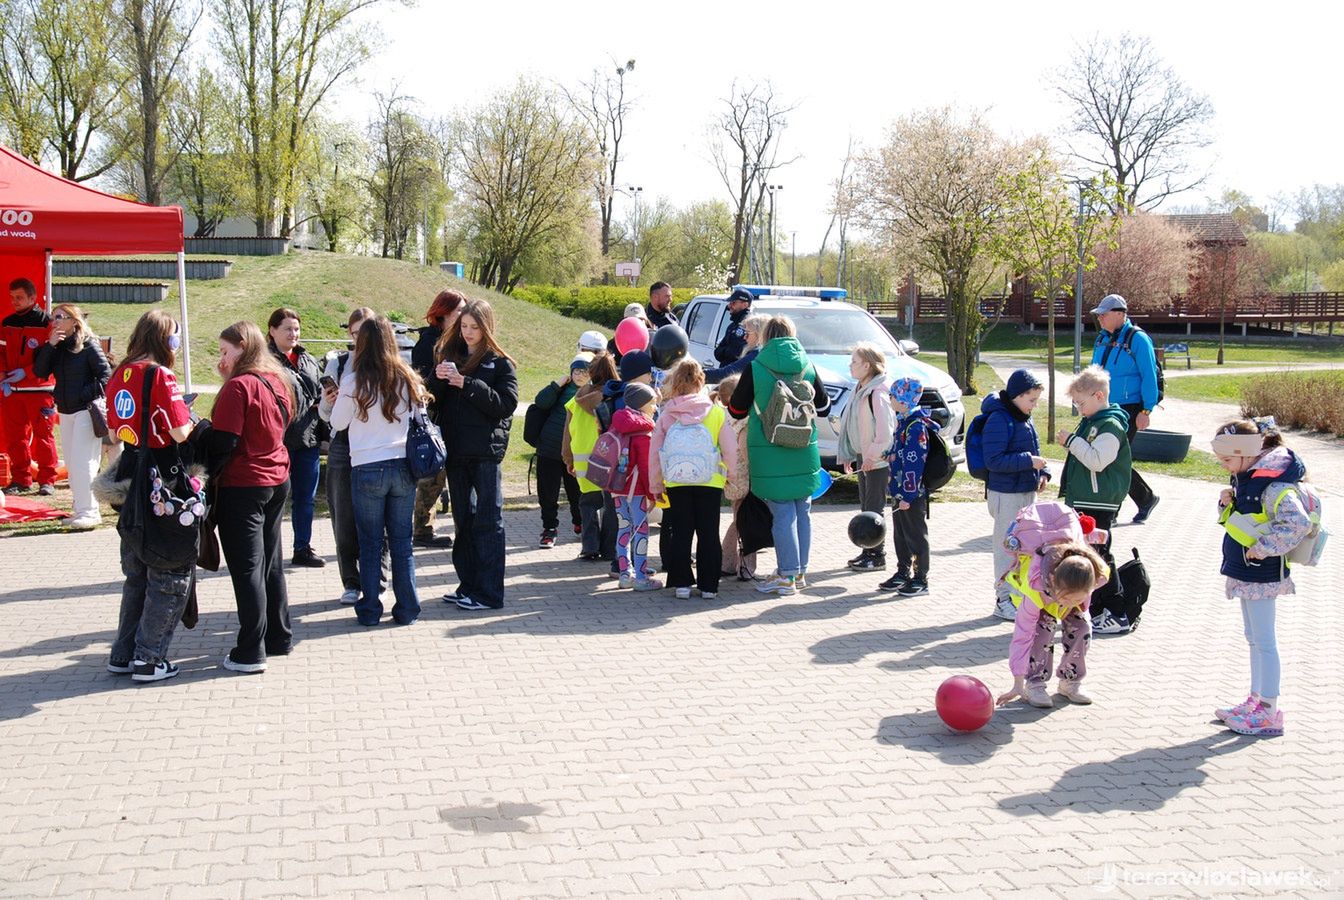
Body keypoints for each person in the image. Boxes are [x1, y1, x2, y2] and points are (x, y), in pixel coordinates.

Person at [100, 310, 194, 683]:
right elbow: (180, 432)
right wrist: (188, 414)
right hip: (160, 479)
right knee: (168, 570)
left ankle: (122, 654)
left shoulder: (120, 373)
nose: (177, 341)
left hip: (128, 473)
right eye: (174, 335)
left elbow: (112, 432)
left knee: (135, 570)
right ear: (162, 338)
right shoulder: (159, 374)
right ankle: (149, 659)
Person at [1210, 419, 1313, 737]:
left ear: (1246, 452)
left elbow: (1298, 523)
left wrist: (1265, 548)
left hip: (1262, 572)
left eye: (1228, 460)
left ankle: (1269, 710)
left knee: (1265, 641)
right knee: (1254, 637)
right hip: (1247, 571)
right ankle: (1255, 700)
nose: (1226, 467)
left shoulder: (1275, 486)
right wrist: (1227, 502)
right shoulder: (1248, 479)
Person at [330, 317, 429, 627]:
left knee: (371, 542)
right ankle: (408, 608)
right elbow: (420, 416)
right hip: (402, 464)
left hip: (366, 465)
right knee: (402, 543)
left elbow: (337, 424)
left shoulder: (354, 381)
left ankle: (371, 608)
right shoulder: (406, 376)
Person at [209, 321, 296, 672]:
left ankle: (250, 650)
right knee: (270, 563)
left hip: (245, 483)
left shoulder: (239, 387)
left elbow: (224, 442)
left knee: (247, 569)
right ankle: (279, 636)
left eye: (225, 352)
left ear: (242, 348)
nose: (221, 360)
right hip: (276, 477)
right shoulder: (276, 380)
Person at [727, 315, 832, 596]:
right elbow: (823, 404)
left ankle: (786, 576)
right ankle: (799, 572)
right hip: (804, 446)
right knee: (803, 510)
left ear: (765, 337)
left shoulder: (756, 366)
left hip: (769, 450)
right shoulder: (807, 365)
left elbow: (736, 408)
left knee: (783, 512)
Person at [430, 300, 518, 611]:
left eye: (474, 328)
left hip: (485, 453)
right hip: (455, 452)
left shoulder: (501, 363)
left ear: (487, 328)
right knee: (462, 522)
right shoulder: (451, 355)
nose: (468, 333)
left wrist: (466, 383)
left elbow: (505, 404)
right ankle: (468, 586)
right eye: (464, 326)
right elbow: (433, 403)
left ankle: (489, 593)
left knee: (488, 522)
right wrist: (438, 380)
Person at [649, 358, 736, 600]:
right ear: (701, 382)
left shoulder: (667, 415)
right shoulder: (716, 412)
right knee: (708, 532)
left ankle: (682, 583)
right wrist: (730, 474)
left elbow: (655, 451)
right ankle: (709, 585)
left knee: (681, 531)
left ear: (676, 383)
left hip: (677, 480)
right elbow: (730, 449)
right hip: (710, 479)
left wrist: (656, 484)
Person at [1056, 366, 1134, 635]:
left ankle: (1116, 611)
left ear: (1099, 396)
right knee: (1087, 555)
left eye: (1081, 403)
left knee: (1099, 556)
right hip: (1086, 498)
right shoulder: (1092, 421)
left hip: (1099, 501)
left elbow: (1098, 461)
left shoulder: (1110, 425)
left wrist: (1072, 441)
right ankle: (1095, 608)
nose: (1079, 409)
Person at [318, 307, 388, 606]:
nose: (361, 339)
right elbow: (327, 417)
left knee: (376, 518)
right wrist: (328, 401)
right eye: (356, 332)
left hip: (375, 447)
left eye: (366, 332)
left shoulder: (389, 364)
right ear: (350, 333)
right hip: (343, 445)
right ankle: (351, 580)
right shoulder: (339, 363)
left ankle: (380, 578)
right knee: (343, 517)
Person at [996, 534, 1108, 709]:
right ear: (1054, 582)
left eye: (1078, 599)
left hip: (1065, 591)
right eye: (1068, 599)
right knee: (1042, 631)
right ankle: (1035, 683)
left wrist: (1073, 602)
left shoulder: (1095, 576)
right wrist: (1017, 683)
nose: (1072, 604)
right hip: (1043, 601)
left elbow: (1077, 598)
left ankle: (1070, 682)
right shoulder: (1036, 591)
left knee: (1082, 627)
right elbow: (1022, 637)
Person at [33, 303, 111, 528]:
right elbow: (39, 372)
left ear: (74, 321)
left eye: (60, 317)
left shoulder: (88, 346)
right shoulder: (57, 348)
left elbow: (106, 376)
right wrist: (50, 345)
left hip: (85, 410)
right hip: (65, 411)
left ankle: (90, 512)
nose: (55, 321)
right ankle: (80, 508)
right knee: (72, 462)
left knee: (83, 461)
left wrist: (85, 395)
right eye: (53, 317)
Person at [982, 369, 1050, 621]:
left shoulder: (1025, 418)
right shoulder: (999, 419)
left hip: (1026, 490)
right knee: (1006, 547)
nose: (1034, 405)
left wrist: (1044, 472)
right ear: (1017, 396)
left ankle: (1019, 596)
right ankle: (1002, 598)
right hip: (1005, 494)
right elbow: (994, 460)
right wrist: (1028, 462)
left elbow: (1037, 449)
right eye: (1031, 400)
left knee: (1026, 547)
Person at [1090, 293, 1161, 524]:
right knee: (1111, 458)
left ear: (1120, 314)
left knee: (1112, 458)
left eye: (1104, 313)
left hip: (1130, 408)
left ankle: (1112, 511)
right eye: (1099, 314)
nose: (1100, 318)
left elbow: (1149, 375)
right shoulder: (1101, 339)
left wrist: (1146, 410)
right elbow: (1094, 372)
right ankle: (1145, 498)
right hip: (1104, 406)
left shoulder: (1138, 339)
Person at [266, 308, 324, 568]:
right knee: (274, 498)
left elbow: (318, 387)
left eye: (297, 329)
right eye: (288, 329)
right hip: (277, 440)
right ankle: (269, 550)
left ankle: (302, 547)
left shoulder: (307, 359)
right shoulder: (265, 361)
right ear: (272, 330)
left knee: (305, 498)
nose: (294, 334)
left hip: (308, 439)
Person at [411, 290, 464, 548]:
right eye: (459, 311)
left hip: (452, 418)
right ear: (443, 313)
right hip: (434, 419)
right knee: (432, 476)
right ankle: (422, 531)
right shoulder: (428, 342)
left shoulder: (456, 340)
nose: (464, 316)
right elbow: (423, 385)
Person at [836, 342, 894, 572]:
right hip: (864, 456)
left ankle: (877, 555)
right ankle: (868, 551)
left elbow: (885, 432)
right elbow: (856, 428)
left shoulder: (878, 393)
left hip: (877, 460)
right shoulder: (860, 389)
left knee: (874, 509)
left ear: (868, 365)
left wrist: (872, 455)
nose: (851, 366)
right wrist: (852, 452)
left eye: (855, 362)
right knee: (865, 507)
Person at [1, 277, 58, 495]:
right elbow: (1, 352)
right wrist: (2, 374)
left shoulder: (47, 323)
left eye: (19, 297)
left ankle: (47, 480)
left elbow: (49, 357)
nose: (15, 301)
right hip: (12, 392)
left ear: (33, 298)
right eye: (12, 297)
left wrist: (27, 373)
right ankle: (21, 480)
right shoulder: (7, 323)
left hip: (39, 390)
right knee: (15, 438)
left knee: (44, 437)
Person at [881, 376, 935, 597]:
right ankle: (903, 572)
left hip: (911, 494)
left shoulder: (915, 426)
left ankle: (921, 578)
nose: (890, 400)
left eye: (892, 396)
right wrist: (890, 455)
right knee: (900, 535)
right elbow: (903, 454)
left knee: (915, 536)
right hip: (899, 490)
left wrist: (909, 494)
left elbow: (915, 463)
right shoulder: (903, 421)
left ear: (903, 400)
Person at [564, 352, 618, 563]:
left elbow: (567, 433)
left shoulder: (575, 400)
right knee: (611, 506)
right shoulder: (615, 396)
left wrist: (568, 458)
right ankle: (609, 549)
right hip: (608, 459)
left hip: (582, 460)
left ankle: (589, 546)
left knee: (587, 503)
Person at [532, 352, 590, 548]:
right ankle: (549, 529)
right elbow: (541, 402)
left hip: (576, 452)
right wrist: (556, 385)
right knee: (548, 493)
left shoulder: (592, 393)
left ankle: (580, 523)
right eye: (576, 371)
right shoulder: (561, 389)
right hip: (549, 448)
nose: (580, 375)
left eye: (585, 371)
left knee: (577, 492)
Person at [609, 382, 661, 591]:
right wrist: (653, 493)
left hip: (617, 487)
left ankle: (624, 575)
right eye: (653, 403)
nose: (655, 408)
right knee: (641, 531)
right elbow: (646, 468)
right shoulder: (643, 432)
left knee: (623, 529)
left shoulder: (617, 423)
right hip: (637, 490)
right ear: (642, 405)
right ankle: (641, 578)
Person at [716, 372, 756, 582]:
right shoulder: (744, 421)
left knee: (738, 519)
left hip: (731, 479)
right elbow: (744, 449)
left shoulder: (724, 418)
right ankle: (744, 566)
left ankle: (728, 563)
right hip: (744, 478)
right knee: (746, 523)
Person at [704, 313, 768, 383]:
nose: (744, 337)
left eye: (747, 333)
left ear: (759, 333)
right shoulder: (768, 351)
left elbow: (727, 373)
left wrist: (698, 374)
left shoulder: (758, 354)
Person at [713, 288, 754, 365]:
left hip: (737, 374)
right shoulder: (732, 325)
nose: (729, 306)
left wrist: (725, 351)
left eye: (733, 303)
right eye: (730, 303)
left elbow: (737, 353)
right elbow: (717, 353)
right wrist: (726, 351)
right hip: (726, 372)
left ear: (745, 305)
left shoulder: (749, 326)